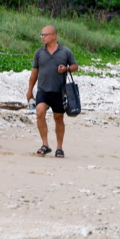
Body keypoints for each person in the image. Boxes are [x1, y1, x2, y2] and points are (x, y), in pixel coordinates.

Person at [25, 26, 78, 158]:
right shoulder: (39, 53)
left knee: (58, 118)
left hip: (59, 92)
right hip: (43, 90)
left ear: (54, 36)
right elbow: (34, 72)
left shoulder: (65, 52)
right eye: (41, 35)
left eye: (45, 35)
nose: (42, 37)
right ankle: (45, 144)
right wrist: (30, 90)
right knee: (39, 112)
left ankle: (59, 148)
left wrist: (65, 69)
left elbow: (75, 66)